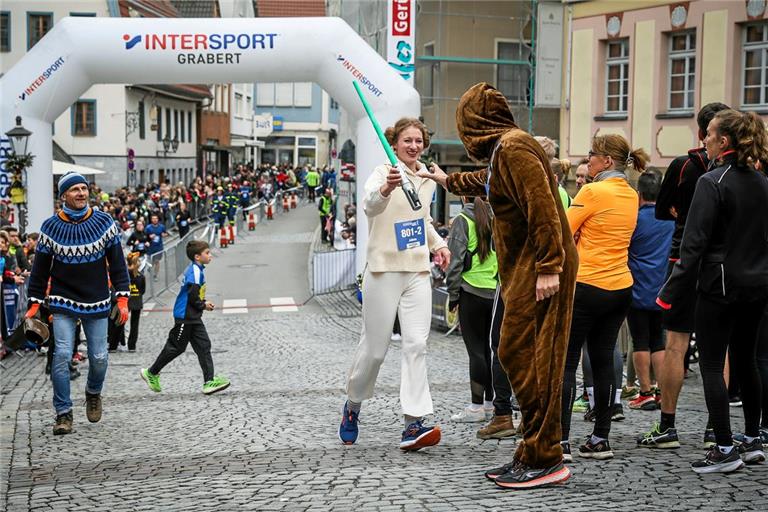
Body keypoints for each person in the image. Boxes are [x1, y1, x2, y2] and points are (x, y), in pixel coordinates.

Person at [417, 83, 577, 489]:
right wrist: (444, 179)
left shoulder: (514, 148)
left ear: (473, 125)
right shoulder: (506, 151)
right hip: (527, 266)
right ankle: (533, 450)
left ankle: (546, 456)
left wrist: (549, 266)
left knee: (534, 359)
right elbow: (488, 182)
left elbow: (542, 204)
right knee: (516, 352)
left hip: (538, 265)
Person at [658, 110, 768, 473]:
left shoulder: (712, 181)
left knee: (710, 363)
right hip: (757, 286)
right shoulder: (762, 181)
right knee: (747, 360)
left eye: (709, 135)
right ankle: (752, 439)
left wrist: (670, 290)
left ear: (723, 141)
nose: (703, 138)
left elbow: (693, 244)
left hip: (718, 286)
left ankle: (724, 447)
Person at [339, 117, 451, 452]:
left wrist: (438, 245)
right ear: (395, 142)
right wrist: (387, 187)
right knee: (374, 350)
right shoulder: (382, 172)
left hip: (417, 271)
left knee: (416, 345)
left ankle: (412, 423)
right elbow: (369, 205)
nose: (414, 146)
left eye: (418, 140)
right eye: (407, 141)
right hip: (383, 271)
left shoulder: (427, 177)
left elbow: (423, 220)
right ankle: (353, 406)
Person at [637, 102, 730, 449]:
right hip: (721, 265)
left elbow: (662, 210)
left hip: (683, 259)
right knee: (719, 350)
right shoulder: (734, 172)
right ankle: (714, 430)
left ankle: (667, 426)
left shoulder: (683, 166)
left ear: (702, 132)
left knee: (675, 344)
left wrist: (682, 212)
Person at [560, 134, 646, 462]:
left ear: (607, 161)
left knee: (566, 363)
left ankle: (561, 442)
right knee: (604, 361)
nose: (589, 160)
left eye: (593, 155)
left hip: (587, 284)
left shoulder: (592, 190)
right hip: (620, 286)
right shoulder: (631, 193)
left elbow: (563, 232)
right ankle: (600, 439)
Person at [26, 172, 130, 435]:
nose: (81, 193)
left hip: (96, 299)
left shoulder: (105, 222)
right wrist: (35, 304)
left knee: (99, 357)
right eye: (75, 190)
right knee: (61, 355)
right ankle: (63, 413)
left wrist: (123, 298)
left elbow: (118, 263)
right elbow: (39, 271)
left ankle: (93, 392)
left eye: (84, 188)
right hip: (62, 299)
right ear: (63, 196)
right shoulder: (50, 228)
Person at [140, 240, 230, 395]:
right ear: (197, 257)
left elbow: (195, 296)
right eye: (207, 253)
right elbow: (193, 296)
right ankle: (151, 372)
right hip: (185, 316)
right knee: (176, 347)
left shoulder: (198, 269)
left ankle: (209, 382)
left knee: (204, 346)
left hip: (193, 316)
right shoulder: (195, 271)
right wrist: (204, 305)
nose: (210, 256)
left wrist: (202, 304)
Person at [445, 197, 498, 423]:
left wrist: (453, 295)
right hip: (494, 291)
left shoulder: (463, 220)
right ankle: (489, 404)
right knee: (489, 351)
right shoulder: (496, 218)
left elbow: (455, 262)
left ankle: (476, 407)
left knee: (476, 351)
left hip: (470, 291)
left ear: (464, 198)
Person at [626, 171, 674, 411]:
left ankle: (644, 391)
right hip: (663, 290)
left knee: (640, 341)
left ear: (640, 193)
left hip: (636, 289)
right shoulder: (671, 220)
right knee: (659, 342)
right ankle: (661, 392)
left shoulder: (634, 220)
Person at [126, 253, 145, 352]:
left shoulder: (125, 274)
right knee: (134, 324)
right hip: (136, 300)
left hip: (126, 300)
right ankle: (131, 345)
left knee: (119, 323)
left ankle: (113, 344)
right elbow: (142, 290)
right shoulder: (141, 276)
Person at [145, 213, 167, 280]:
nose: (154, 220)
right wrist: (149, 237)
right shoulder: (148, 228)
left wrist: (164, 235)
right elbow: (144, 237)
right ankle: (150, 266)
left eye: (156, 218)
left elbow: (165, 233)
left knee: (157, 261)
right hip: (150, 248)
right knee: (152, 261)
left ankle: (155, 275)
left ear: (158, 219)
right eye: (153, 219)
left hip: (159, 247)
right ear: (151, 220)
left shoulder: (162, 226)